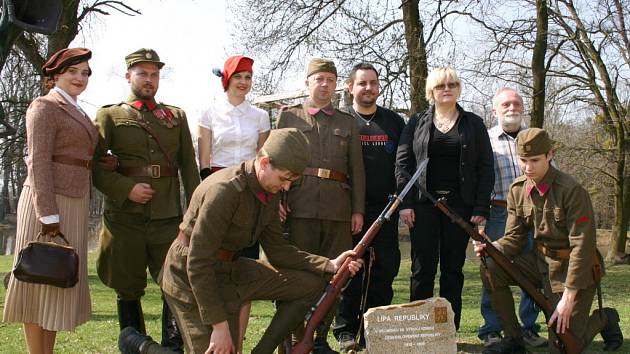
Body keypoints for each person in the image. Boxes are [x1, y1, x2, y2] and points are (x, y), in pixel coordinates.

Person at [159, 128, 364, 354]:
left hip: (229, 270)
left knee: (310, 284)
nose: (286, 187)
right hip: (189, 277)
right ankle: (143, 346)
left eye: (291, 182)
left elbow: (277, 251)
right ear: (264, 162)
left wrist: (329, 264)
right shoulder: (224, 191)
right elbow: (198, 263)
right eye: (284, 179)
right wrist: (218, 325)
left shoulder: (269, 190)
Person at [474, 128, 623, 354]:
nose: (527, 167)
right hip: (540, 262)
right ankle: (513, 339)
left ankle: (605, 318)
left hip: (575, 269)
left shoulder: (570, 190)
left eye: (534, 160)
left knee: (564, 347)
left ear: (550, 155)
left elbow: (582, 247)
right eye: (523, 160)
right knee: (490, 267)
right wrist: (494, 247)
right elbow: (514, 239)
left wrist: (568, 297)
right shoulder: (518, 189)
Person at [92, 48, 200, 353]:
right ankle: (134, 346)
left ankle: (172, 348)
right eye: (142, 73)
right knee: (127, 287)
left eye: (154, 74)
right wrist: (126, 188)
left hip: (168, 218)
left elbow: (189, 169)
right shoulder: (110, 115)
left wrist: (194, 214)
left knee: (174, 284)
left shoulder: (176, 116)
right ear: (129, 76)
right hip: (125, 217)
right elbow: (96, 166)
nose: (149, 79)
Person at [3, 48, 97, 354]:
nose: (80, 78)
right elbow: (38, 162)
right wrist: (48, 215)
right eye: (73, 71)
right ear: (55, 75)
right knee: (38, 281)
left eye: (84, 72)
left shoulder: (78, 111)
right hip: (48, 202)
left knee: (59, 282)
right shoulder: (44, 107)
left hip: (75, 199)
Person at [276, 58, 366, 354]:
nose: (325, 84)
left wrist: (357, 210)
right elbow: (275, 161)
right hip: (299, 206)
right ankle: (293, 337)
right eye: (319, 79)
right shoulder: (289, 117)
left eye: (330, 79)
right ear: (307, 82)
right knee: (299, 274)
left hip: (337, 209)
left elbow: (357, 169)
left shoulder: (347, 122)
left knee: (334, 276)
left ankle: (318, 338)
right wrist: (279, 201)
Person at [395, 67, 494, 330]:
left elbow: (486, 167)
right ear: (431, 92)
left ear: (458, 88)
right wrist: (405, 204)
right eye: (440, 86)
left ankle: (447, 329)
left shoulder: (474, 123)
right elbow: (403, 164)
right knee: (421, 270)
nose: (446, 89)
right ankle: (419, 329)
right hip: (423, 205)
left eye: (452, 84)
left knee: (453, 271)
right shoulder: (416, 122)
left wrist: (481, 206)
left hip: (460, 208)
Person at [197, 54, 271, 350]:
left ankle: (237, 343)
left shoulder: (261, 116)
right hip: (217, 191)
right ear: (227, 79)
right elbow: (204, 162)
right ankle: (213, 338)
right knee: (212, 266)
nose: (244, 82)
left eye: (248, 77)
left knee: (243, 268)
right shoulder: (209, 111)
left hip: (250, 195)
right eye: (238, 76)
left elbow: (264, 160)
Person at [333, 63, 405, 352]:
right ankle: (345, 331)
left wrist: (402, 202)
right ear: (350, 87)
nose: (369, 88)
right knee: (350, 270)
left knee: (384, 271)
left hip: (387, 209)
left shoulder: (394, 122)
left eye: (373, 83)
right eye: (362, 83)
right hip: (348, 209)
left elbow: (404, 164)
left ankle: (374, 330)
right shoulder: (341, 119)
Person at [478, 88, 546, 348]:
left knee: (536, 273)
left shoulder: (537, 139)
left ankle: (529, 328)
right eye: (506, 104)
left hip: (536, 217)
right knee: (492, 271)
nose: (512, 108)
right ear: (495, 109)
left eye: (517, 104)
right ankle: (492, 330)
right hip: (499, 213)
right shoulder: (486, 140)